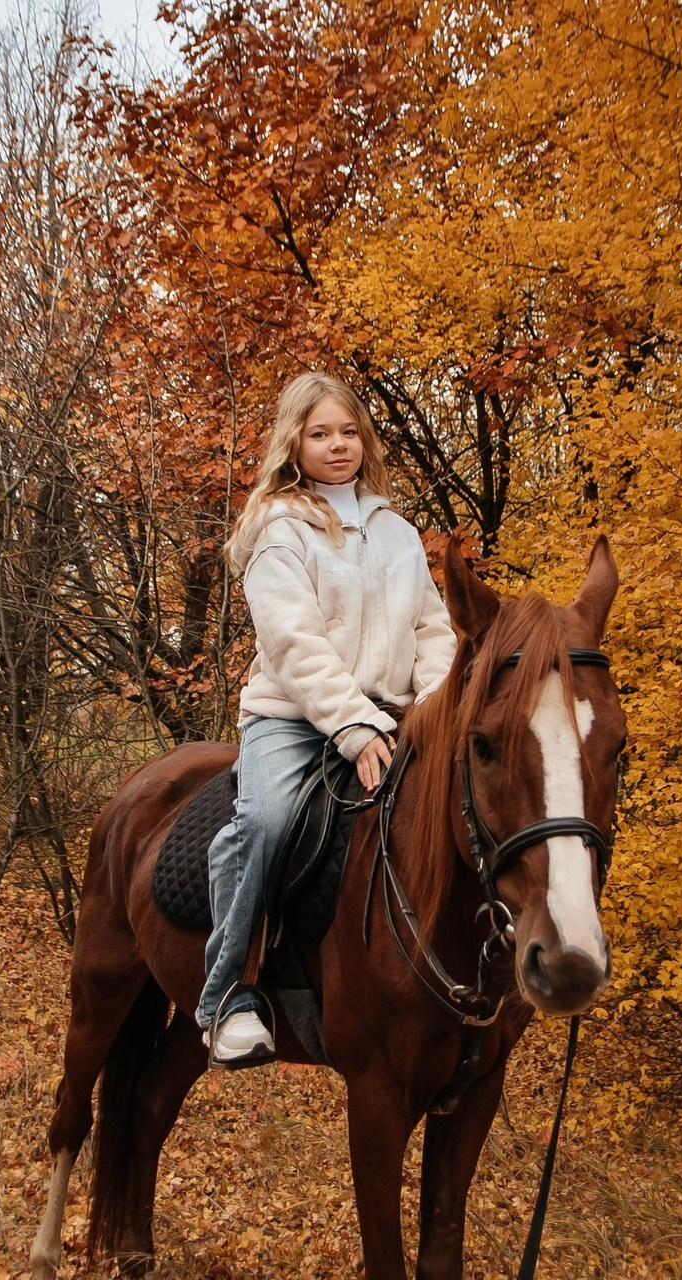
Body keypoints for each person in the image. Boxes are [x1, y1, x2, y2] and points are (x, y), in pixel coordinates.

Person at [197, 371, 458, 1065]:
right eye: (320, 434)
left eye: (348, 432)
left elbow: (433, 629)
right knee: (267, 821)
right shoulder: (279, 529)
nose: (336, 445)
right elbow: (293, 641)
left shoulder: (397, 531)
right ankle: (228, 996)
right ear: (295, 444)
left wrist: (434, 709)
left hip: (392, 713)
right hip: (293, 718)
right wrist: (351, 724)